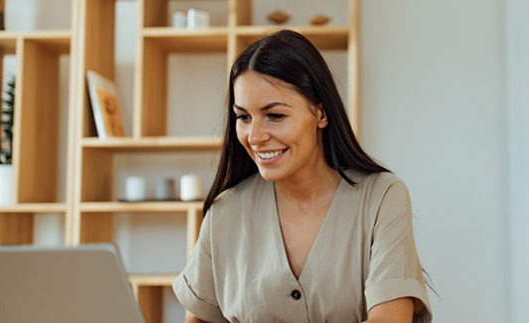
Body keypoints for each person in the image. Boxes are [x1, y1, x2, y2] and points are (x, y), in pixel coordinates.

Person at [173, 29, 432, 323]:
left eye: (275, 115)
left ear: (320, 113)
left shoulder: (382, 198)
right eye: (244, 117)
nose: (254, 136)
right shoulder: (225, 212)